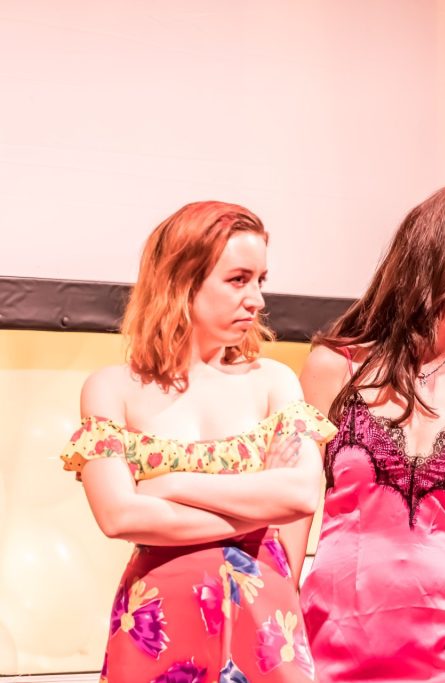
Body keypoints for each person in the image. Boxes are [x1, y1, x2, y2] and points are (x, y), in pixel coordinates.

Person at [60, 201, 335, 682]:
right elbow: (119, 515)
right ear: (182, 281)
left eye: (260, 280)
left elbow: (300, 495)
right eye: (238, 279)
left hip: (265, 614)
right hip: (160, 617)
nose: (257, 300)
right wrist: (259, 506)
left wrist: (168, 486)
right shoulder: (112, 388)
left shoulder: (273, 380)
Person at [293, 183, 445, 682]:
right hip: (335, 645)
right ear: (425, 261)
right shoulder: (334, 368)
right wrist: (275, 638)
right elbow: (294, 515)